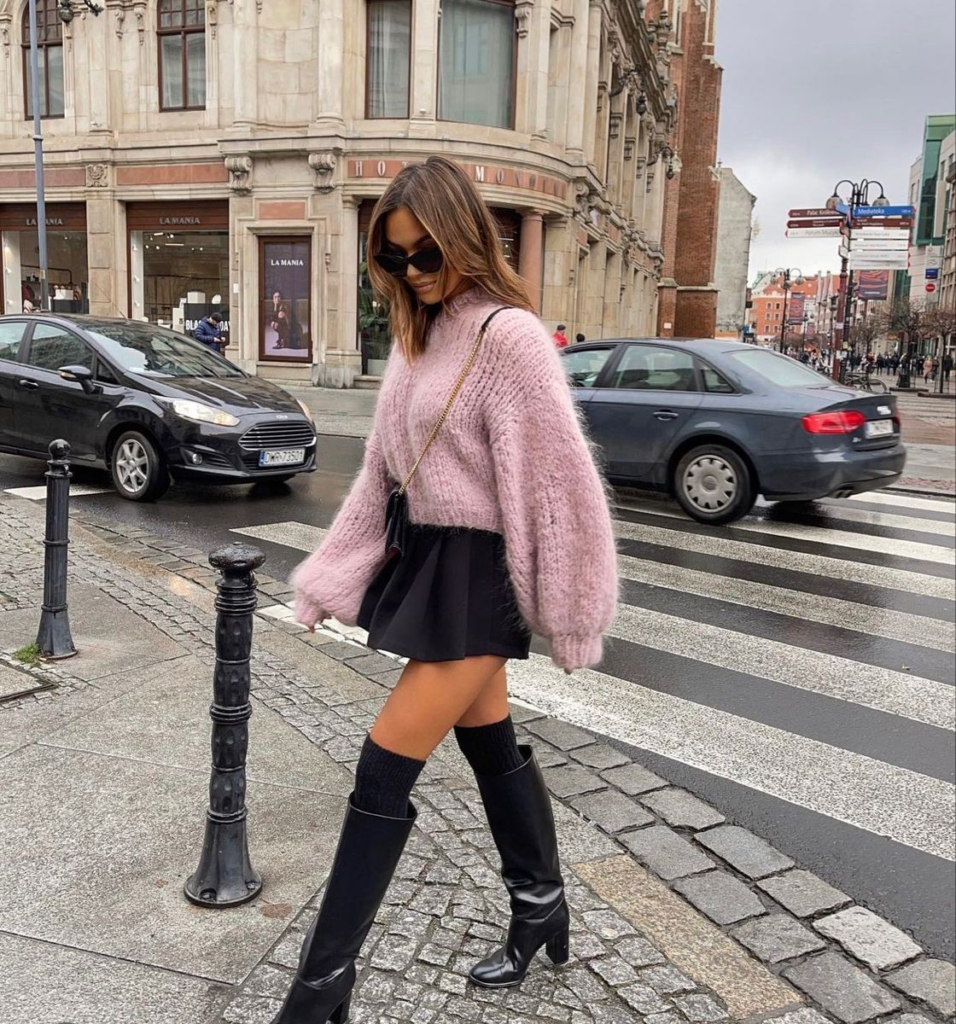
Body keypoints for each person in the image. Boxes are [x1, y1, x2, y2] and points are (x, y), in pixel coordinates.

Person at [274, 156, 618, 1024]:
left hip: (478, 578)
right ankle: (540, 904)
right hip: (426, 563)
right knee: (488, 741)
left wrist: (573, 614)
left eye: (425, 253)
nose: (413, 271)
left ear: (464, 236)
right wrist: (328, 577)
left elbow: (558, 486)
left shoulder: (509, 338)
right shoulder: (416, 336)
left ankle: (319, 991)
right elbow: (381, 478)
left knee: (382, 766)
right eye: (393, 258)